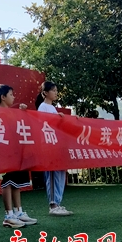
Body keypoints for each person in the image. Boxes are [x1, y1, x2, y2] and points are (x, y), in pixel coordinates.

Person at [0, 84, 37, 228]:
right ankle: (8, 215)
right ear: (3, 97)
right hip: (4, 153)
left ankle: (18, 212)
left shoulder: (14, 113)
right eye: (11, 94)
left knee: (16, 182)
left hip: (16, 152)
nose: (14, 97)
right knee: (7, 182)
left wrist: (22, 112)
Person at [35, 81, 72, 216]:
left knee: (59, 174)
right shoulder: (43, 107)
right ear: (45, 93)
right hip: (49, 146)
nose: (56, 93)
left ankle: (58, 202)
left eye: (56, 90)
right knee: (51, 174)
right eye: (53, 90)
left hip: (56, 145)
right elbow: (43, 125)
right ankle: (53, 204)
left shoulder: (52, 108)